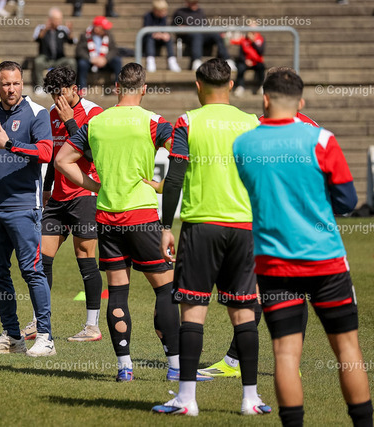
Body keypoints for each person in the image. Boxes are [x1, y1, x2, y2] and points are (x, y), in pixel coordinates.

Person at [233, 69, 372, 426]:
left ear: (265, 99)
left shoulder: (243, 144)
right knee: (347, 349)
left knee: (285, 354)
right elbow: (347, 201)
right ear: (301, 102)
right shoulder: (321, 139)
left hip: (274, 264)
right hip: (325, 260)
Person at [151, 58, 269, 416]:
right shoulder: (253, 123)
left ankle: (186, 399)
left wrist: (165, 227)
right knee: (244, 311)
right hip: (244, 228)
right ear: (231, 85)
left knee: (193, 311)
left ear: (198, 86)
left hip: (201, 227)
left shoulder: (188, 121)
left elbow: (174, 177)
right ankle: (251, 399)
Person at [56, 63, 187, 382]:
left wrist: (94, 186)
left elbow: (62, 160)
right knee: (165, 290)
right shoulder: (153, 121)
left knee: (117, 292)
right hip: (142, 215)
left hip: (106, 217)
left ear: (116, 88)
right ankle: (175, 367)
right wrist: (160, 186)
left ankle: (124, 367)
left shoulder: (97, 122)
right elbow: (182, 156)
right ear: (144, 89)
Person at [199, 65, 319, 379]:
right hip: (293, 224)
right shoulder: (309, 128)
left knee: (258, 290)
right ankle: (284, 363)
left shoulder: (259, 127)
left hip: (267, 221)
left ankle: (236, 362)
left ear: (267, 95)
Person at [0, 61, 56, 357]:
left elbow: (46, 152)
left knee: (32, 270)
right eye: (5, 84)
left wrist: (10, 144)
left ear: (22, 84)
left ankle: (46, 337)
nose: (11, 89)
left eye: (16, 83)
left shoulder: (37, 113)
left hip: (24, 206)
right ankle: (13, 337)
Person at [19, 66, 104, 342]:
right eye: (54, 94)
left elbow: (92, 156)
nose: (58, 100)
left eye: (62, 93)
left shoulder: (94, 113)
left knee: (85, 259)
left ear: (75, 89)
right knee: (41, 259)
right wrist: (47, 189)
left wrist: (70, 123)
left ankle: (92, 326)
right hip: (58, 197)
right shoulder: (50, 114)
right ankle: (38, 321)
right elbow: (54, 155)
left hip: (85, 194)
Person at [172, 0, 235, 71]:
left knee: (217, 34)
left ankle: (227, 59)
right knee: (196, 35)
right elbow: (175, 27)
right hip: (189, 36)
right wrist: (183, 27)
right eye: (192, 3)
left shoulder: (200, 11)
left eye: (195, 3)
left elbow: (205, 26)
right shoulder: (180, 12)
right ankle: (196, 61)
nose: (194, 5)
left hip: (203, 34)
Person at [32, 8, 76, 93]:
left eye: (60, 19)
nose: (59, 22)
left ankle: (71, 86)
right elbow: (37, 39)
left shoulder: (63, 29)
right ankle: (39, 86)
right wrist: (45, 29)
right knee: (38, 61)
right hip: (46, 58)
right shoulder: (41, 28)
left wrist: (70, 31)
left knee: (72, 62)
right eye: (56, 19)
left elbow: (71, 41)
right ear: (50, 19)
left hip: (59, 59)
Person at [76, 16, 122, 95]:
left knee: (117, 61)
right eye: (103, 28)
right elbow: (79, 50)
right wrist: (91, 59)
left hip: (105, 61)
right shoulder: (85, 35)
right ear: (96, 28)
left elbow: (114, 50)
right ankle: (82, 88)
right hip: (90, 61)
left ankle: (117, 86)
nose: (105, 30)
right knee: (82, 63)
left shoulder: (109, 35)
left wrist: (105, 59)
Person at [142, 0, 181, 73]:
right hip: (149, 40)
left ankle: (171, 60)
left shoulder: (164, 17)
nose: (164, 13)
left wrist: (163, 35)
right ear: (155, 10)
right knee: (150, 39)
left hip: (160, 39)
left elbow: (165, 29)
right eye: (161, 11)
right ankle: (150, 60)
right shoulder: (147, 16)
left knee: (168, 38)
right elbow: (147, 31)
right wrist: (159, 34)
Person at [231, 22, 265, 97]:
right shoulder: (244, 40)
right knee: (240, 67)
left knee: (261, 67)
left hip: (256, 61)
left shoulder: (260, 39)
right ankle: (240, 86)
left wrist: (253, 42)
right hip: (246, 62)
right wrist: (245, 61)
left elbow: (260, 51)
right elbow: (241, 54)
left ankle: (261, 86)